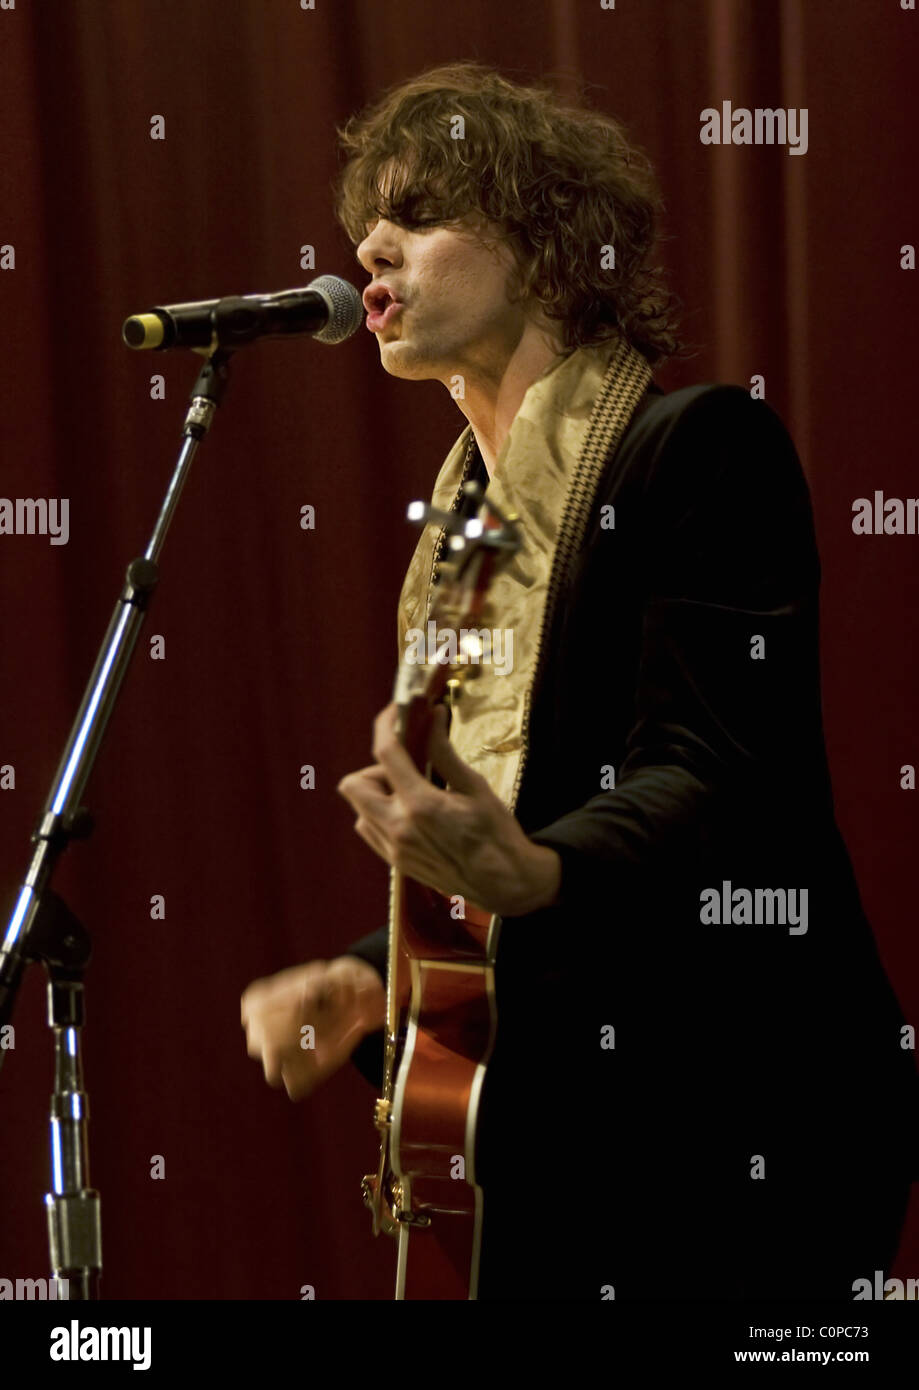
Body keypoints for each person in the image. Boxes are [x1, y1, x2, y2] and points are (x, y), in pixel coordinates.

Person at [241, 62, 919, 1300]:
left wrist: (540, 873)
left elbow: (715, 772)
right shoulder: (459, 531)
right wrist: (371, 972)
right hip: (560, 1123)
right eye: (362, 223)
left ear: (548, 248)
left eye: (421, 211)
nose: (368, 244)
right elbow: (505, 836)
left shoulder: (700, 450)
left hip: (735, 1111)